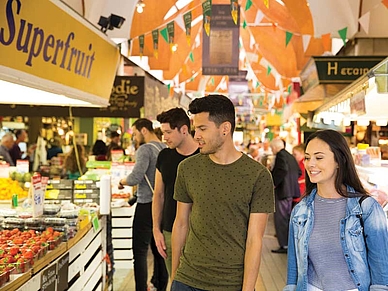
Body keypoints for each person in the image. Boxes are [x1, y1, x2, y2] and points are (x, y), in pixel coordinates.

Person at [171, 95, 275, 291]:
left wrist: (248, 288)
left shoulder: (258, 176)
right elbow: (181, 223)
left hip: (231, 283)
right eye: (195, 129)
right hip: (187, 279)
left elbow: (255, 239)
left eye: (202, 129)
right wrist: (174, 276)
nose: (196, 136)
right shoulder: (187, 168)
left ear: (225, 129)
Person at [284, 129, 388, 291]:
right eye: (307, 157)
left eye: (319, 157)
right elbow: (293, 267)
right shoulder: (300, 211)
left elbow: (381, 267)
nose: (310, 164)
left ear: (339, 161)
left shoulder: (367, 209)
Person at [118, 118, 168, 291]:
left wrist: (122, 181)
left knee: (139, 251)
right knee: (159, 249)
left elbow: (136, 177)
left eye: (135, 133)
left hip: (147, 204)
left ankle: (140, 288)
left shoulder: (145, 149)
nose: (134, 137)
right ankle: (160, 284)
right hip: (163, 205)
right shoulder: (164, 147)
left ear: (144, 130)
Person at [152, 108, 199, 277]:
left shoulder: (204, 156)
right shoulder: (164, 156)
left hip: (198, 233)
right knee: (175, 280)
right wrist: (156, 230)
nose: (164, 138)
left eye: (168, 132)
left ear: (184, 130)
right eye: (163, 132)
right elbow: (158, 194)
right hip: (170, 230)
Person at [270, 138, 301, 254]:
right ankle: (288, 244)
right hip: (291, 192)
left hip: (283, 192)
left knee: (281, 218)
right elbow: (299, 172)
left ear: (275, 147)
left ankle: (285, 245)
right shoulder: (290, 156)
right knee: (287, 218)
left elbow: (282, 170)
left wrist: (274, 183)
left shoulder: (280, 156)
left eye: (271, 147)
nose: (271, 150)